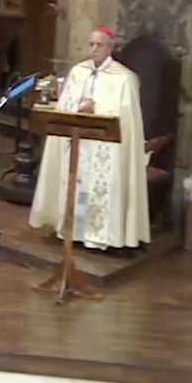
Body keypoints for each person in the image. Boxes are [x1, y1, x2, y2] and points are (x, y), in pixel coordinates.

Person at [29, 26, 150, 250]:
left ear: (110, 48)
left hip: (104, 145)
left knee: (98, 187)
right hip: (77, 141)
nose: (94, 49)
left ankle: (100, 236)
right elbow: (66, 103)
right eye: (91, 44)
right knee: (76, 183)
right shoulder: (78, 72)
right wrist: (77, 106)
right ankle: (73, 230)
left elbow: (126, 118)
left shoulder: (124, 78)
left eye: (99, 45)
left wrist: (97, 107)